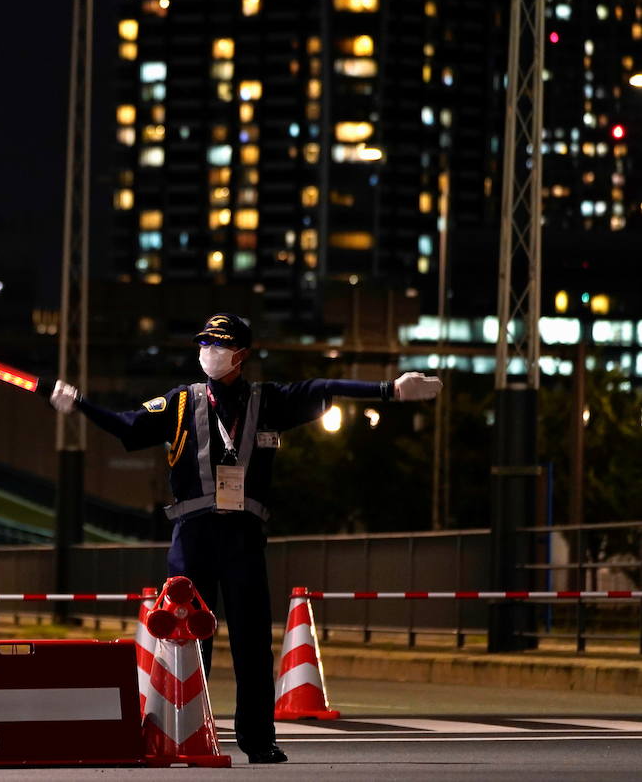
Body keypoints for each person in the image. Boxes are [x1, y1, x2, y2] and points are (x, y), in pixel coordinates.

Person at [48, 312, 441, 764]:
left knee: (252, 643)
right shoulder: (180, 401)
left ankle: (258, 739)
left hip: (243, 537)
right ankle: (174, 735)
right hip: (192, 536)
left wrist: (387, 391)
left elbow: (322, 387)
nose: (209, 352)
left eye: (219, 344)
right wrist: (78, 403)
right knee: (184, 639)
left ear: (242, 354)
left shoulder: (267, 400)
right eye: (204, 343)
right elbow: (128, 425)